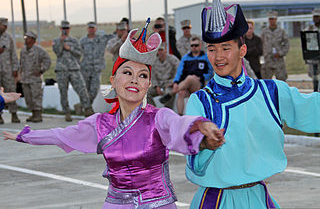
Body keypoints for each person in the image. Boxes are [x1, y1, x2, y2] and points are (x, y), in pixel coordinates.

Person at [2, 18, 224, 209]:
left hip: (158, 203)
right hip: (116, 203)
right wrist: (25, 136)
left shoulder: (158, 117)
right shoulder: (100, 124)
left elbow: (178, 123)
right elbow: (62, 134)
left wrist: (202, 126)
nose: (135, 80)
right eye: (127, 72)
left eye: (143, 76)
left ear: (148, 85)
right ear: (113, 80)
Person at [185, 0, 320, 208]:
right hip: (217, 201)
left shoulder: (271, 93)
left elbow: (313, 109)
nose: (218, 56)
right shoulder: (201, 101)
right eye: (212, 48)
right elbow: (193, 156)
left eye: (226, 47)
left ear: (242, 51)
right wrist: (206, 145)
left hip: (258, 197)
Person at [52, 20, 94, 122]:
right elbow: (57, 52)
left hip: (74, 68)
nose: (65, 30)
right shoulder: (56, 41)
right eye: (63, 28)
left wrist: (70, 48)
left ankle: (87, 109)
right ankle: (67, 112)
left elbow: (79, 53)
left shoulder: (74, 41)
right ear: (60, 29)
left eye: (67, 28)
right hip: (61, 70)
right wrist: (61, 42)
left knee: (82, 89)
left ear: (69, 29)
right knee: (63, 92)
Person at [172, 36, 213, 115]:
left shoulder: (206, 57)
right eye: (192, 45)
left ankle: (172, 92)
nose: (194, 47)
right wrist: (176, 82)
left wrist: (202, 77)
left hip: (199, 83)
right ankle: (180, 116)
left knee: (190, 78)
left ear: (200, 45)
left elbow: (210, 72)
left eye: (196, 45)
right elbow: (179, 72)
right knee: (181, 93)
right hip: (186, 85)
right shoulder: (185, 58)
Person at [19, 31, 51, 122]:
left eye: (27, 38)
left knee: (36, 97)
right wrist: (19, 75)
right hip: (25, 78)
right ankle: (33, 114)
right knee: (28, 98)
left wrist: (41, 70)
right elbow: (21, 64)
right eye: (25, 38)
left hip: (35, 79)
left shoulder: (39, 50)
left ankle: (38, 115)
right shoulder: (23, 50)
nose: (25, 40)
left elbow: (47, 60)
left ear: (33, 40)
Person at [80, 22, 112, 106]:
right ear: (87, 29)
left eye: (93, 28)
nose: (91, 29)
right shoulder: (83, 40)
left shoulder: (101, 39)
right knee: (85, 89)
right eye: (90, 28)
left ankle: (85, 105)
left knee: (94, 89)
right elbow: (78, 52)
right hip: (85, 68)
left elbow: (113, 37)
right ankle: (87, 108)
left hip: (97, 68)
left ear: (96, 29)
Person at [0, 17, 20, 124]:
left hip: (7, 70)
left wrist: (15, 68)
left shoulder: (8, 38)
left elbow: (14, 54)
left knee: (11, 90)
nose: (5, 27)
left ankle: (14, 113)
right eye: (3, 25)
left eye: (6, 25)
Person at [148, 42, 179, 108]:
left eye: (161, 50)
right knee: (146, 93)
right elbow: (153, 76)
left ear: (165, 50)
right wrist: (156, 86)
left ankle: (167, 111)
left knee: (169, 93)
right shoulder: (154, 62)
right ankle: (154, 110)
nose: (160, 52)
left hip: (170, 84)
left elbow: (178, 72)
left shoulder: (173, 59)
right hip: (159, 85)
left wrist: (172, 82)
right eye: (158, 50)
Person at [261, 11, 290, 81]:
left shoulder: (281, 31)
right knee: (266, 81)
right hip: (267, 59)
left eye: (273, 19)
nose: (272, 21)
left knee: (281, 80)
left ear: (276, 19)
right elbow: (261, 43)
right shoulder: (264, 31)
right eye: (270, 19)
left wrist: (281, 53)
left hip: (278, 60)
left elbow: (287, 44)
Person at [304, 8, 320, 92]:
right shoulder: (309, 29)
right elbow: (305, 42)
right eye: (314, 17)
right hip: (314, 59)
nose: (316, 18)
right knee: (315, 79)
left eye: (318, 16)